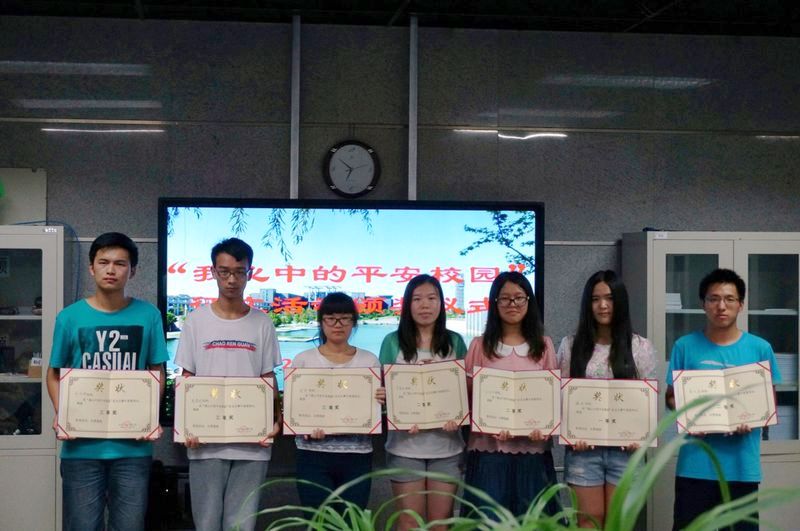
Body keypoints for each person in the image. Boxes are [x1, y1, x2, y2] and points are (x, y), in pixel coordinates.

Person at [46, 232, 169, 531]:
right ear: (92, 268)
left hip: (133, 449)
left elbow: (156, 371)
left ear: (133, 271)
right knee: (81, 526)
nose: (111, 270)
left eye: (120, 263)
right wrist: (63, 412)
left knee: (129, 526)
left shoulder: (149, 315)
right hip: (81, 449)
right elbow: (54, 373)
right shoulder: (69, 317)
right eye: (103, 262)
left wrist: (149, 415)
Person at [174, 238, 281, 531]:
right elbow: (187, 378)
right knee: (206, 523)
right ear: (213, 272)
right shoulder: (196, 321)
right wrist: (185, 426)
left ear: (249, 273)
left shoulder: (262, 323)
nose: (232, 280)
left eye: (239, 271)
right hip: (205, 442)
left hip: (252, 443)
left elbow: (268, 378)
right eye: (224, 272)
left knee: (242, 525)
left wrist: (275, 419)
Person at [665, 268, 781, 531]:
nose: (721, 306)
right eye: (713, 298)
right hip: (695, 466)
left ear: (741, 304)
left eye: (729, 299)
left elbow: (769, 402)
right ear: (702, 304)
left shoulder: (760, 348)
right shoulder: (684, 346)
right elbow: (671, 397)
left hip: (741, 467)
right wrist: (690, 417)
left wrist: (752, 419)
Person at [557, 270, 657, 528]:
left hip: (626, 453)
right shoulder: (570, 345)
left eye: (610, 298)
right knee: (588, 522)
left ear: (620, 301)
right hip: (583, 452)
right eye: (595, 299)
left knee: (618, 523)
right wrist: (571, 432)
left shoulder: (640, 347)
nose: (602, 305)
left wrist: (640, 436)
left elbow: (646, 402)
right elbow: (563, 397)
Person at [462, 271, 559, 518]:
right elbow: (467, 397)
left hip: (533, 450)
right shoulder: (479, 345)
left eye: (519, 297)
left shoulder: (544, 345)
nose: (512, 304)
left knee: (533, 520)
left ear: (529, 301)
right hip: (488, 451)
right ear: (495, 303)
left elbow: (552, 397)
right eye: (504, 298)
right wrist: (486, 421)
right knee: (488, 521)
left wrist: (545, 427)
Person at [378, 274, 468, 531]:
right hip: (404, 447)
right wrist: (389, 405)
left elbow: (464, 391)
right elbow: (384, 391)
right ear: (408, 304)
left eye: (431, 298)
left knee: (441, 523)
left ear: (441, 303)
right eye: (417, 299)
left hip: (447, 448)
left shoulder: (455, 342)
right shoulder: (392, 341)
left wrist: (459, 415)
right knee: (409, 523)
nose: (425, 305)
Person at [291, 292, 386, 511]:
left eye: (344, 318)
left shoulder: (369, 361)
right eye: (331, 318)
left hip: (357, 455)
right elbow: (295, 409)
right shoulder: (303, 360)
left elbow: (375, 410)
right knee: (317, 522)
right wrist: (304, 427)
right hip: (312, 454)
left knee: (352, 521)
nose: (338, 324)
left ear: (354, 322)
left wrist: (381, 399)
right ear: (321, 322)